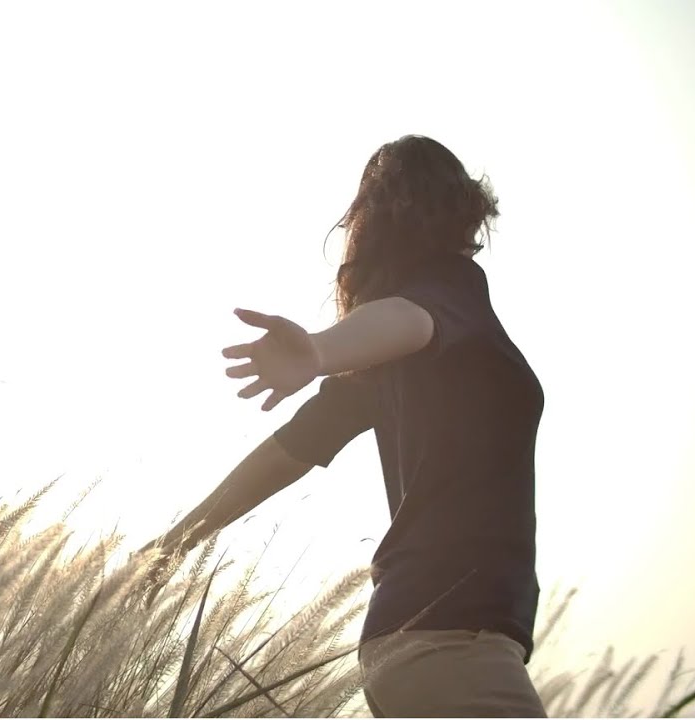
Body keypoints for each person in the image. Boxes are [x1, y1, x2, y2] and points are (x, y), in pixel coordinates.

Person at [143, 135, 547, 717]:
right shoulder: (451, 291)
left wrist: (178, 540)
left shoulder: (387, 360)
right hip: (455, 643)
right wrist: (320, 350)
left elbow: (288, 450)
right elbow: (413, 318)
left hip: (409, 649)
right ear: (463, 212)